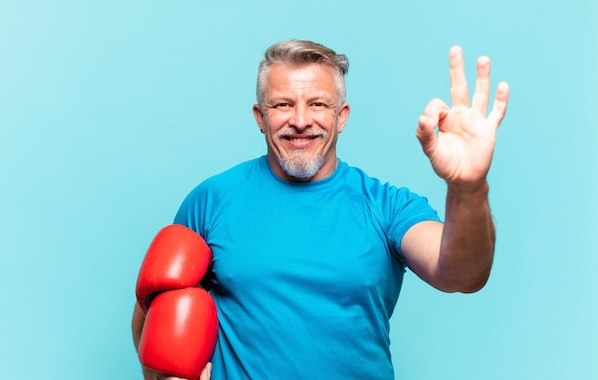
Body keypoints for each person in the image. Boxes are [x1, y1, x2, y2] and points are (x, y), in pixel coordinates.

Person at [131, 39, 509, 380]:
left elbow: (463, 274)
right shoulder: (212, 200)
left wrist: (467, 185)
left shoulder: (386, 205)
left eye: (317, 104)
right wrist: (162, 375)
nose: (299, 120)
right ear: (260, 117)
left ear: (341, 116)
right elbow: (154, 306)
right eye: (282, 104)